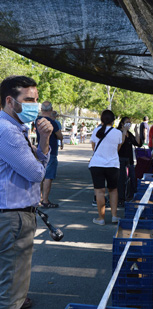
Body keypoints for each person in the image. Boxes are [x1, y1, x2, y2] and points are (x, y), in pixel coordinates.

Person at [0, 75, 52, 309]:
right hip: (13, 217)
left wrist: (44, 139)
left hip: (13, 215)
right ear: (10, 101)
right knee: (13, 282)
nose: (35, 106)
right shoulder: (8, 131)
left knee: (9, 277)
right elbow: (36, 173)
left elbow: (36, 159)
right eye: (29, 100)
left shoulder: (15, 128)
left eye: (36, 100)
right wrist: (43, 142)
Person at [89, 110, 122, 225]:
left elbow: (93, 148)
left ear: (101, 120)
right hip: (112, 165)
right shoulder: (118, 133)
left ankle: (101, 218)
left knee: (99, 191)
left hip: (97, 164)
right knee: (113, 190)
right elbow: (117, 149)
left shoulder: (96, 131)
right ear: (113, 120)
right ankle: (114, 216)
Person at [36, 101, 63, 208]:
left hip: (40, 150)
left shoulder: (37, 121)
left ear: (41, 109)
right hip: (51, 151)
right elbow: (60, 136)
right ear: (51, 109)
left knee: (40, 176)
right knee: (48, 176)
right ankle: (45, 200)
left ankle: (39, 198)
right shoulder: (53, 122)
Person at [117, 117, 142, 207]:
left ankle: (131, 196)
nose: (129, 123)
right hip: (120, 159)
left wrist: (136, 131)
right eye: (127, 122)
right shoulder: (118, 132)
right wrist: (123, 131)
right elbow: (121, 142)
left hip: (129, 160)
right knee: (122, 179)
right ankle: (121, 198)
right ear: (122, 123)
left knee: (132, 178)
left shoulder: (129, 133)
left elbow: (138, 143)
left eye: (130, 122)